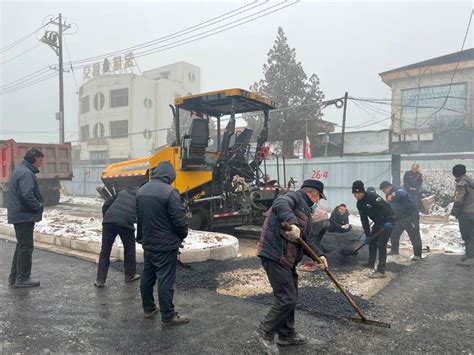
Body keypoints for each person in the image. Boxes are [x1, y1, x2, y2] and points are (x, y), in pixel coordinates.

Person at [256, 179, 329, 354]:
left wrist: (319, 255)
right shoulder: (293, 198)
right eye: (318, 198)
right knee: (286, 298)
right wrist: (292, 222)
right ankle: (265, 332)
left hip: (287, 259)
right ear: (314, 194)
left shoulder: (305, 211)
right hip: (275, 254)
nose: (317, 202)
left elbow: (307, 240)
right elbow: (280, 203)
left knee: (292, 295)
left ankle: (286, 335)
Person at [137, 162, 189, 325]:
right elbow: (179, 220)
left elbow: (139, 218)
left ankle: (149, 308)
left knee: (147, 275)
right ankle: (168, 315)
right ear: (170, 176)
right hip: (166, 245)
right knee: (165, 280)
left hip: (149, 243)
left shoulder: (141, 190)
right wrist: (182, 235)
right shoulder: (170, 192)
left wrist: (141, 237)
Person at [7, 149, 45, 288]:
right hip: (24, 215)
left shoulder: (21, 170)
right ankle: (22, 278)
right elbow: (27, 194)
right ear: (34, 160)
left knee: (21, 245)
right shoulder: (26, 173)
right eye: (40, 161)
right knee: (26, 247)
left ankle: (14, 277)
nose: (41, 164)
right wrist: (38, 206)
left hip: (20, 214)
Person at [94, 187, 141, 287]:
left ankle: (100, 280)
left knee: (105, 251)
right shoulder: (140, 198)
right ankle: (129, 275)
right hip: (125, 223)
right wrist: (140, 236)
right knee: (129, 249)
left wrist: (106, 217)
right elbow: (141, 217)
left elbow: (106, 204)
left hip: (108, 222)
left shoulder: (123, 191)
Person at [352, 180, 394, 279]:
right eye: (355, 194)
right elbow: (364, 220)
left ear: (363, 191)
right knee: (372, 241)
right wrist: (367, 234)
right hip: (378, 223)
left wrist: (389, 220)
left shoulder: (373, 197)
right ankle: (371, 263)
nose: (357, 195)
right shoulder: (359, 204)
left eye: (359, 193)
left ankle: (381, 270)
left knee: (381, 244)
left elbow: (386, 207)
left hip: (388, 221)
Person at [379, 181, 423, 260]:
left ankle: (417, 255)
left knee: (414, 235)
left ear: (388, 187)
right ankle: (394, 250)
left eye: (384, 190)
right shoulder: (388, 195)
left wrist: (391, 196)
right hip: (400, 218)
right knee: (394, 233)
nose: (384, 192)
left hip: (411, 216)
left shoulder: (398, 189)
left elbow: (401, 195)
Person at [450, 164, 474, 267]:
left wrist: (453, 213)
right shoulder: (470, 181)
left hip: (466, 213)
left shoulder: (461, 184)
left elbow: (459, 201)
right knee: (471, 235)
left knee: (467, 235)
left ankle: (470, 258)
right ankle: (468, 254)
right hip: (472, 212)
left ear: (455, 173)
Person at [299, 204, 330, 271]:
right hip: (326, 220)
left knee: (311, 240)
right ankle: (321, 258)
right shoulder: (312, 203)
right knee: (317, 240)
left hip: (317, 221)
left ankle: (317, 261)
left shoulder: (302, 203)